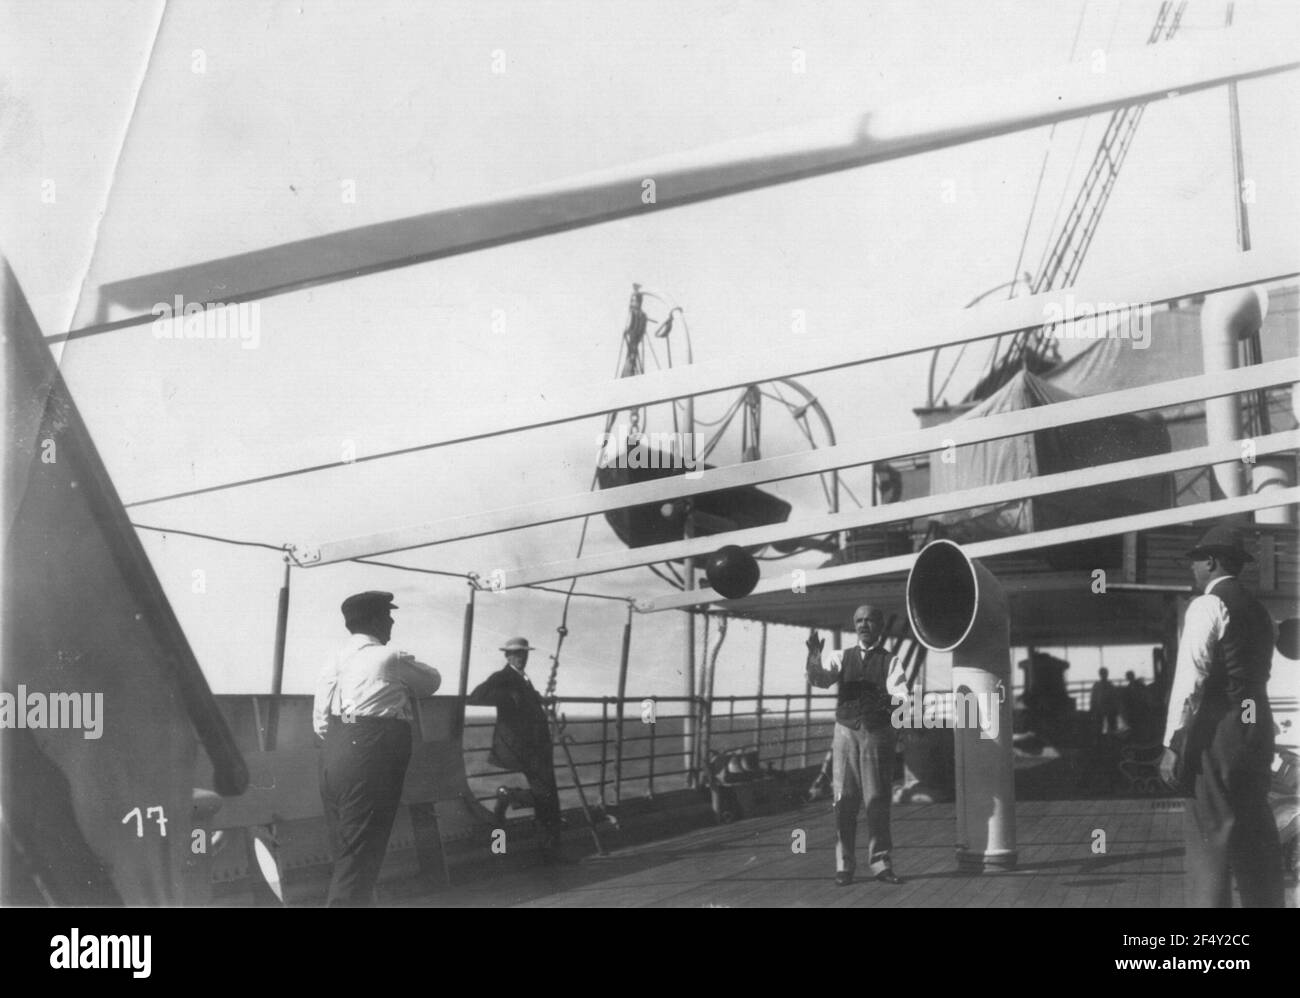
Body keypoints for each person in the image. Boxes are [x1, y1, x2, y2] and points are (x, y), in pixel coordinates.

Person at [1158, 524, 1283, 908]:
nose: (1192, 569)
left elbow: (1190, 678)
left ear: (1210, 561)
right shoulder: (1260, 612)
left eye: (1195, 561)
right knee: (1255, 832)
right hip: (1255, 725)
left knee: (1210, 837)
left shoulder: (1207, 605)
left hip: (1219, 730)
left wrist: (1172, 744)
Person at [312, 591, 442, 907]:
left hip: (335, 752)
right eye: (387, 616)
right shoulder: (388, 656)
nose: (392, 621)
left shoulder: (332, 660)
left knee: (348, 849)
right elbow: (431, 682)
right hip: (372, 753)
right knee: (362, 853)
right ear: (374, 621)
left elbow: (320, 724)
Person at [806, 605, 907, 886]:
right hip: (846, 732)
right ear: (855, 626)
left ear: (880, 626)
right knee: (845, 799)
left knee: (877, 800)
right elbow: (821, 679)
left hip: (877, 732)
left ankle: (881, 863)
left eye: (870, 620)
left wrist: (888, 705)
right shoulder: (841, 656)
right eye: (859, 621)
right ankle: (844, 865)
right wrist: (814, 656)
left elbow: (901, 695)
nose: (864, 625)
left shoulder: (892, 661)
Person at [468, 637, 564, 861]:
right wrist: (508, 697)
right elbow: (475, 696)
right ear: (507, 656)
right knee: (548, 796)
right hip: (523, 747)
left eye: (524, 654)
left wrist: (536, 698)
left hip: (537, 746)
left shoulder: (523, 678)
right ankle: (549, 849)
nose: (521, 658)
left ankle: (549, 850)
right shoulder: (503, 676)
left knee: (549, 796)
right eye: (517, 654)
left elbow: (525, 701)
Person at [1090, 667, 1119, 736]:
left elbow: (1093, 698)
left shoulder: (1098, 685)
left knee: (1103, 726)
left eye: (1104, 673)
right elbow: (1093, 697)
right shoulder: (1109, 685)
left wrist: (1092, 708)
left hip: (1104, 708)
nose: (1103, 675)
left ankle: (1104, 741)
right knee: (1104, 726)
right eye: (1103, 674)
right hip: (1104, 708)